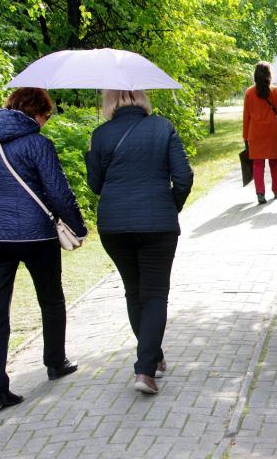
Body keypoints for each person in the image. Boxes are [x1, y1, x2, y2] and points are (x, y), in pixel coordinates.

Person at [0, 87, 87, 409]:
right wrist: (79, 228)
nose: (45, 122)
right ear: (37, 113)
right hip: (36, 235)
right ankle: (55, 362)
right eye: (46, 116)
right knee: (51, 299)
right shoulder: (38, 143)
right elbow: (58, 192)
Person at [85, 90, 193, 395]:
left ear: (109, 101)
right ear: (141, 97)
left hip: (114, 225)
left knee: (134, 291)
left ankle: (152, 356)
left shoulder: (101, 134)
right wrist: (170, 205)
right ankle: (145, 371)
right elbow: (183, 177)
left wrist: (93, 156)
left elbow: (95, 185)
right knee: (155, 295)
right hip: (158, 223)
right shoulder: (163, 127)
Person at [243, 61, 277, 204]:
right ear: (269, 75)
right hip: (272, 132)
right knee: (274, 163)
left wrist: (245, 136)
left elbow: (246, 116)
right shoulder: (276, 91)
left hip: (255, 133)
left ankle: (260, 194)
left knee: (258, 164)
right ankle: (276, 190)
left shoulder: (249, 92)